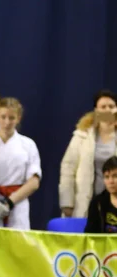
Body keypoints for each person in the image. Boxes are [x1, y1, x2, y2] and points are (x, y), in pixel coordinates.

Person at [0, 98, 41, 229]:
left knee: (17, 245)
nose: (7, 122)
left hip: (17, 204)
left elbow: (34, 182)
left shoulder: (28, 145)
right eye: (3, 117)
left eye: (11, 118)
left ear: (18, 118)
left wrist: (10, 202)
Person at [59, 90, 117, 218]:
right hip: (86, 201)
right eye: (103, 107)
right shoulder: (82, 135)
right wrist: (67, 203)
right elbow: (68, 169)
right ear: (96, 111)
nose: (107, 110)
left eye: (111, 106)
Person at [84, 157, 117, 233]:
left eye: (115, 176)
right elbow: (90, 235)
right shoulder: (97, 203)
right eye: (107, 177)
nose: (111, 181)